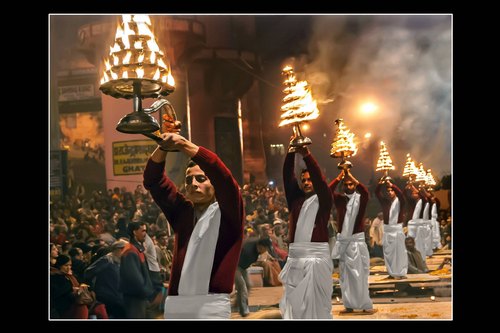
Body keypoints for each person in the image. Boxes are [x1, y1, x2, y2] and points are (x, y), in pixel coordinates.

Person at [143, 132, 244, 319]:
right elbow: (153, 180)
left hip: (210, 305)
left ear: (214, 184)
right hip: (176, 303)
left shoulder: (230, 212)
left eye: (201, 178)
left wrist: (184, 144)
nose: (193, 184)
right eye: (188, 180)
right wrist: (163, 146)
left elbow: (223, 177)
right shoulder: (183, 212)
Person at [279, 145, 333, 319]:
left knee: (318, 307)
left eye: (310, 179)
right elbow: (288, 176)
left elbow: (321, 182)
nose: (307, 183)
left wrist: (307, 155)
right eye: (304, 180)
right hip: (296, 260)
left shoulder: (324, 200)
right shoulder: (295, 201)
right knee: (296, 309)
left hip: (316, 262)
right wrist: (291, 151)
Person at [330, 169, 375, 314]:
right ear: (342, 186)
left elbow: (366, 193)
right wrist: (338, 178)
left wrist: (351, 176)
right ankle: (348, 305)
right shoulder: (339, 200)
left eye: (351, 185)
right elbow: (327, 192)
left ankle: (365, 305)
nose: (349, 187)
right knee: (345, 277)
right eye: (346, 184)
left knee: (360, 275)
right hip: (344, 244)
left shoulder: (360, 199)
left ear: (355, 185)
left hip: (357, 242)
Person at [375, 180, 408, 279]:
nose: (389, 192)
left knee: (399, 253)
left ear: (395, 192)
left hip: (397, 231)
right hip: (388, 231)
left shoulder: (400, 202)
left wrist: (392, 185)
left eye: (392, 190)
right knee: (388, 254)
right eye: (388, 191)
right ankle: (391, 272)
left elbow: (401, 196)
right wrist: (380, 183)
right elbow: (377, 192)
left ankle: (400, 273)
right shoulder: (385, 202)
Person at [235, 238, 272, 317]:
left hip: (243, 267)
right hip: (235, 266)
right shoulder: (248, 250)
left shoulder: (257, 247)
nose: (266, 251)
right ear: (261, 246)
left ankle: (237, 303)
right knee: (242, 287)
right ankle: (244, 310)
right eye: (265, 248)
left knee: (248, 285)